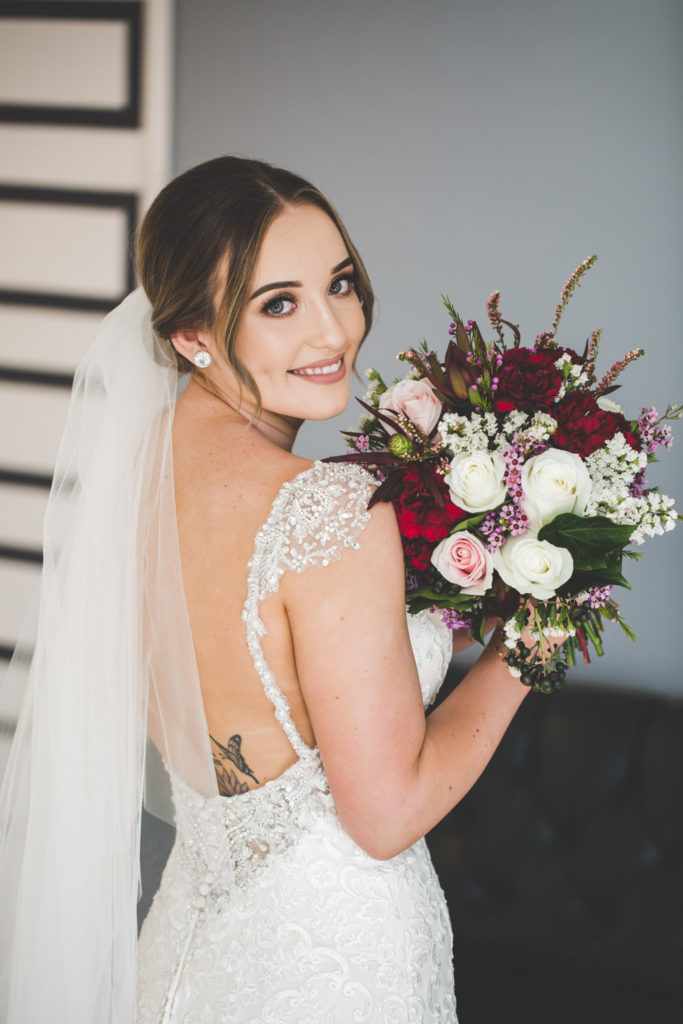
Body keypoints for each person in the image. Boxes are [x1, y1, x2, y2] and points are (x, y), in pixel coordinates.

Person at [0, 157, 547, 1024]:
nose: (331, 330)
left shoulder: (134, 470)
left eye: (339, 283)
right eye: (277, 303)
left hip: (189, 940)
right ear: (191, 335)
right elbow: (385, 814)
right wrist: (532, 646)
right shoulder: (328, 505)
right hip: (335, 958)